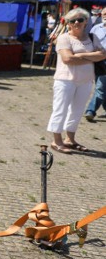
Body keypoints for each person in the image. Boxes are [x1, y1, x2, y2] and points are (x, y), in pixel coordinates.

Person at [48, 8, 106, 153]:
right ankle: (57, 141)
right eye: (73, 20)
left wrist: (79, 56)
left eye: (80, 20)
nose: (76, 23)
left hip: (86, 80)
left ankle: (70, 139)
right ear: (68, 23)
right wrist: (90, 56)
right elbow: (67, 59)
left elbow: (103, 55)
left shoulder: (92, 37)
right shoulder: (64, 38)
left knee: (77, 111)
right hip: (65, 80)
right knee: (60, 110)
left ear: (86, 21)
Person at [84, 7, 106, 121]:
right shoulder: (96, 28)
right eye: (103, 14)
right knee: (101, 86)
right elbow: (89, 42)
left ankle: (90, 111)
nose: (104, 16)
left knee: (100, 87)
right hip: (97, 60)